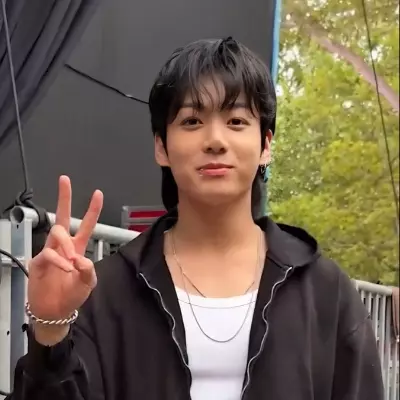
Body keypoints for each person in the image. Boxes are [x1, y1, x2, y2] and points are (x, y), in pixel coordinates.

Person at [10, 37, 383, 400]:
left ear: (265, 145)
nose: (215, 140)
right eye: (192, 121)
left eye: (236, 121)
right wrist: (50, 330)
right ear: (162, 146)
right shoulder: (107, 291)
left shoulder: (324, 292)